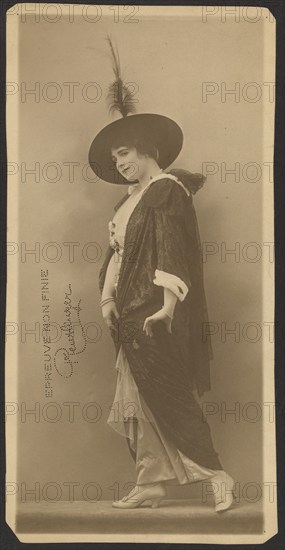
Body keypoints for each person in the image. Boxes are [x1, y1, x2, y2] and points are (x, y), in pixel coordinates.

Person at [88, 39, 236, 513]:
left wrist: (168, 306)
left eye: (126, 153)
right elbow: (117, 254)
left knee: (170, 392)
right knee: (136, 397)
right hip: (128, 314)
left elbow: (173, 250)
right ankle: (150, 481)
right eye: (115, 160)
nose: (121, 163)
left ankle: (217, 475)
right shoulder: (126, 203)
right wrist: (108, 301)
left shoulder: (168, 192)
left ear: (149, 149)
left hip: (156, 311)